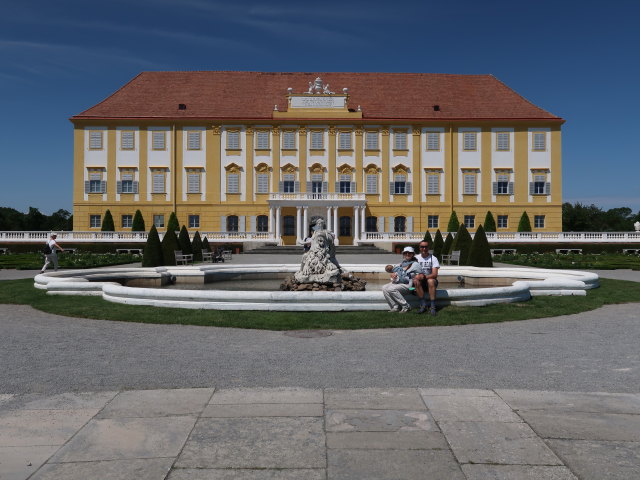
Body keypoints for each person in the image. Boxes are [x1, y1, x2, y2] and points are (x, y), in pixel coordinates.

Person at [382, 246, 421, 313]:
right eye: (405, 253)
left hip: (410, 286)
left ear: (413, 254)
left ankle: (406, 306)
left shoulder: (416, 264)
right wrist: (393, 275)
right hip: (400, 283)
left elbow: (418, 277)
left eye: (409, 253)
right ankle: (395, 306)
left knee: (391, 289)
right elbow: (394, 271)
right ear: (403, 254)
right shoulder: (402, 263)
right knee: (384, 287)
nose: (407, 254)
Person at [413, 240, 440, 315]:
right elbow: (411, 271)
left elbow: (434, 274)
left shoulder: (433, 258)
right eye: (422, 247)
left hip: (431, 281)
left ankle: (433, 306)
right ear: (419, 248)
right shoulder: (415, 258)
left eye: (426, 247)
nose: (424, 249)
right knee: (416, 281)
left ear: (428, 248)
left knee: (430, 281)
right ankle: (423, 305)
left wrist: (424, 277)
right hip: (420, 281)